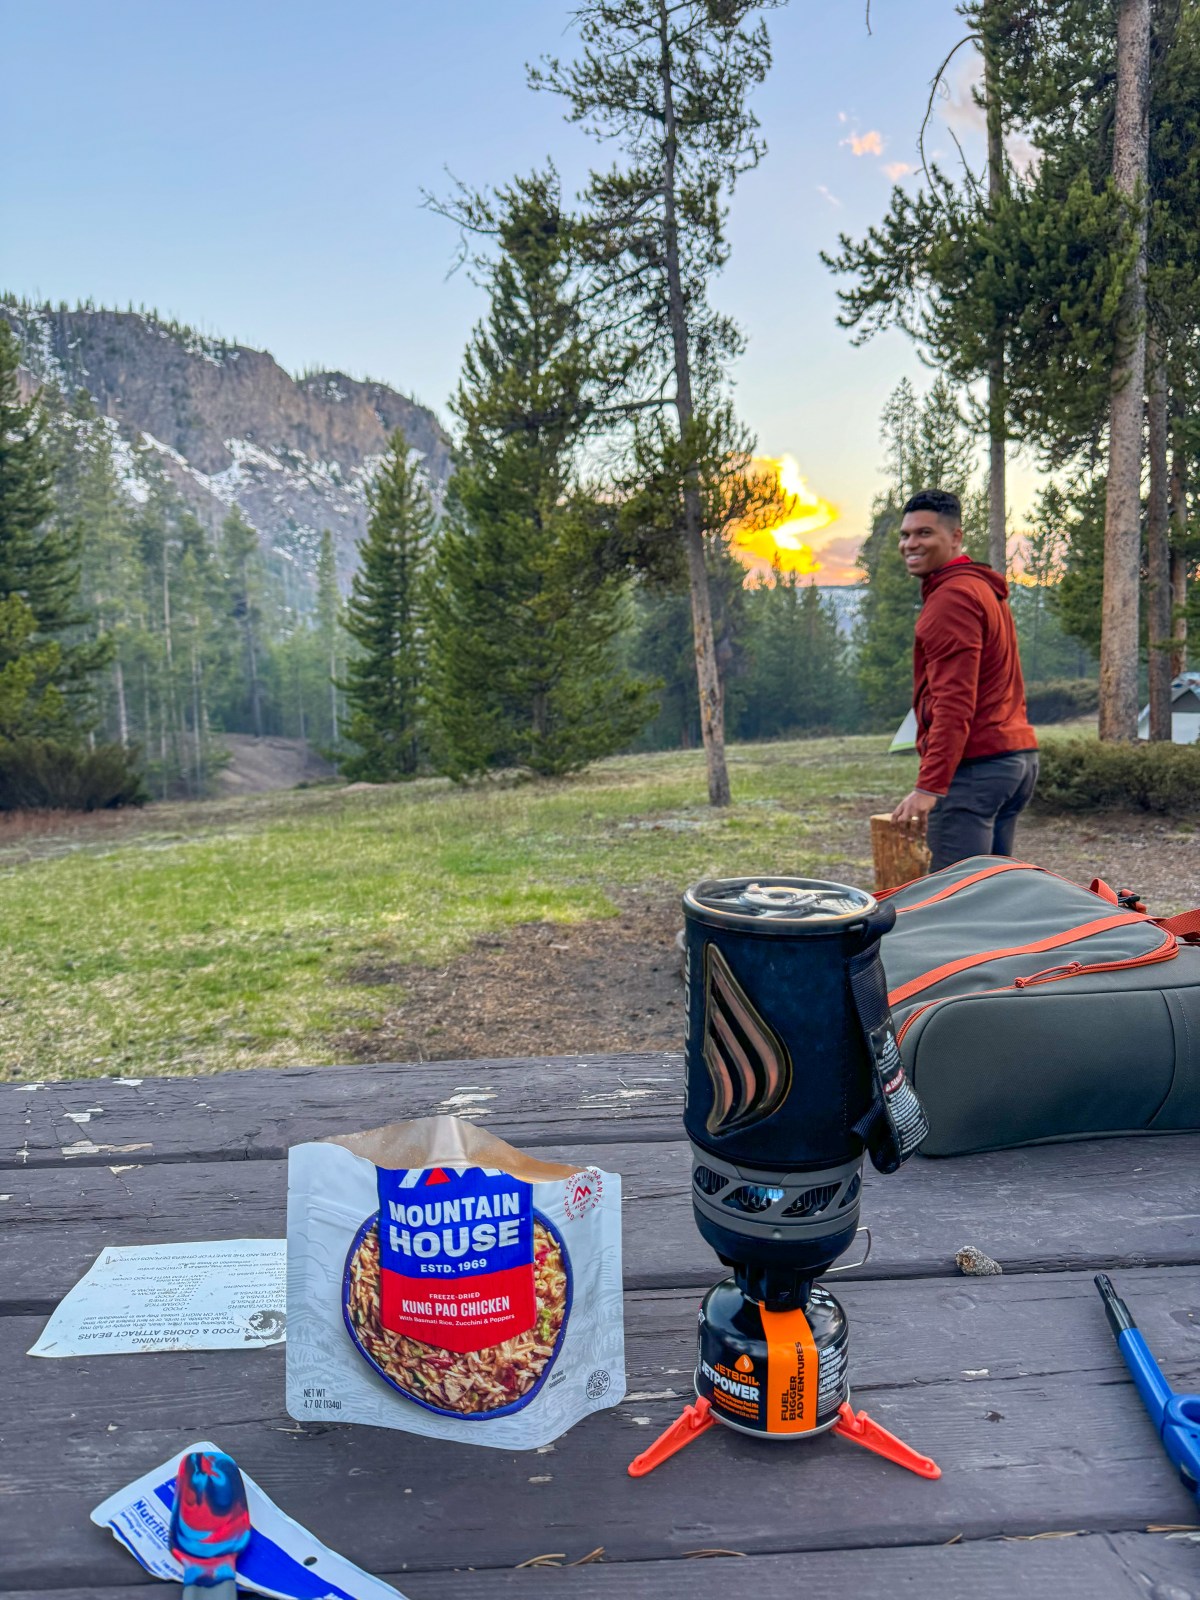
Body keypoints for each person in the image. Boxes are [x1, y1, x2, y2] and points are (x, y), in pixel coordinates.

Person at [890, 488, 1038, 872]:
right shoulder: (980, 588)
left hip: (976, 770)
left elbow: (954, 703)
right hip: (1014, 761)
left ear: (955, 536)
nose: (910, 544)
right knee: (990, 891)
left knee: (956, 896)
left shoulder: (952, 599)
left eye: (924, 533)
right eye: (905, 535)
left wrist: (929, 787)